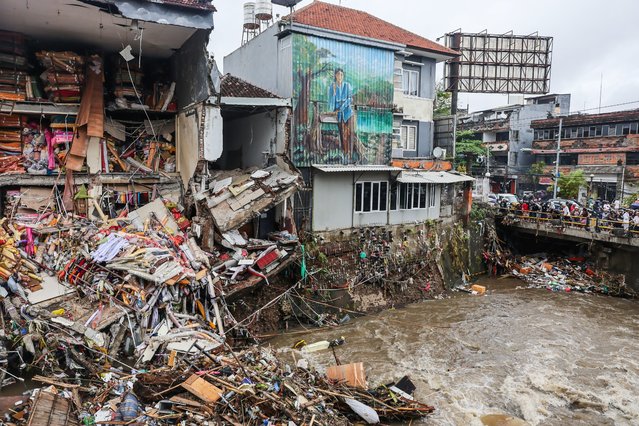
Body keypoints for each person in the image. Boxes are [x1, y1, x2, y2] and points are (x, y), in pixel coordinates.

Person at [327, 68, 354, 156]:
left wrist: (342, 107)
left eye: (341, 74)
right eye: (338, 74)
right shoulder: (332, 86)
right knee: (342, 133)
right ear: (335, 75)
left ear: (343, 76)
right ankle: (344, 153)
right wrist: (334, 92)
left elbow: (350, 99)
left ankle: (350, 152)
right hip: (338, 113)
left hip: (347, 112)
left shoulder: (347, 85)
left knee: (349, 133)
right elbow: (331, 101)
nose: (340, 76)